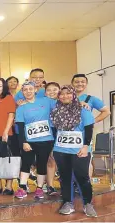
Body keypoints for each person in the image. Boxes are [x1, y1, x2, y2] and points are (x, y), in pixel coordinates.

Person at [50, 85, 97, 217]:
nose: (65, 96)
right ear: (58, 96)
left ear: (73, 95)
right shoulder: (55, 111)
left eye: (68, 93)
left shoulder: (83, 110)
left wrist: (85, 146)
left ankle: (88, 204)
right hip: (60, 150)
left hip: (79, 150)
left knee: (83, 177)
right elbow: (54, 131)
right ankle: (67, 203)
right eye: (62, 94)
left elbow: (89, 129)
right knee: (65, 178)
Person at [14, 81, 55, 199]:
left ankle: (39, 188)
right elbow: (20, 127)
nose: (28, 91)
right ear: (22, 92)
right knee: (26, 163)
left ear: (35, 90)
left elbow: (63, 104)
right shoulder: (21, 108)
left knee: (42, 164)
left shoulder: (46, 101)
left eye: (30, 89)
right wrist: (23, 142)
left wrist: (81, 103)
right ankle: (22, 187)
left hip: (46, 140)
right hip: (29, 141)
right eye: (25, 90)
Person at [72, 73, 111, 179]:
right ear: (72, 84)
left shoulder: (91, 99)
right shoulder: (67, 97)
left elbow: (107, 112)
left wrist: (93, 121)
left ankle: (86, 184)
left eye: (82, 82)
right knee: (70, 160)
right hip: (68, 135)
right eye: (77, 82)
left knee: (86, 160)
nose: (80, 84)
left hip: (85, 135)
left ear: (86, 84)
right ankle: (74, 184)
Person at [44, 82, 61, 196]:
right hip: (48, 132)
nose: (52, 92)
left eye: (55, 89)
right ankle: (50, 185)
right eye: (49, 90)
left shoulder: (65, 102)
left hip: (63, 132)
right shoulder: (41, 102)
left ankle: (67, 183)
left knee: (63, 159)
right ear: (45, 93)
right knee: (50, 159)